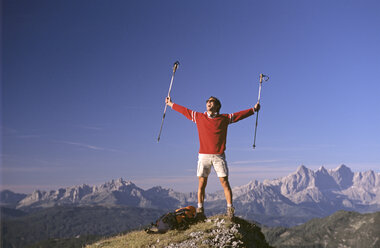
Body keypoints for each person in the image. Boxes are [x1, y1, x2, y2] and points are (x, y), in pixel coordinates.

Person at [165, 96, 260, 219]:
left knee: (224, 182)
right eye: (207, 102)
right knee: (202, 183)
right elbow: (184, 111)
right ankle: (200, 211)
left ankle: (230, 210)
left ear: (217, 106)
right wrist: (171, 104)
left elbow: (239, 115)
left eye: (212, 101)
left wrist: (253, 110)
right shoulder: (198, 116)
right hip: (203, 156)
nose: (209, 103)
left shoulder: (224, 118)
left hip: (219, 156)